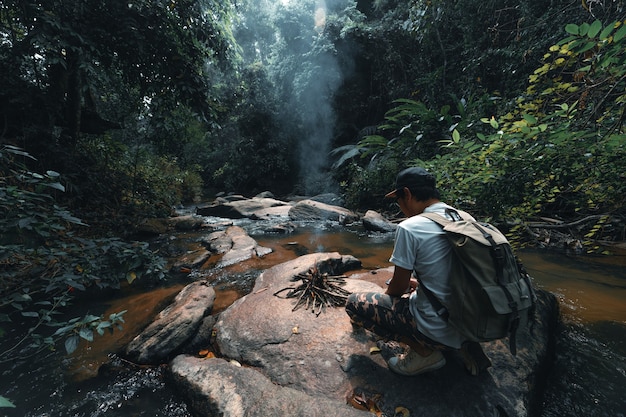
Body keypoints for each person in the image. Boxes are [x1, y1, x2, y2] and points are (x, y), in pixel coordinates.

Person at [345, 167, 491, 376]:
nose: (400, 206)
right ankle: (465, 345)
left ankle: (424, 352)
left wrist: (389, 302)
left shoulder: (410, 227)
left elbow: (397, 288)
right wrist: (422, 286)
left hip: (435, 327)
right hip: (470, 320)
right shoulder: (464, 217)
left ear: (407, 194)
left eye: (399, 199)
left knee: (353, 304)